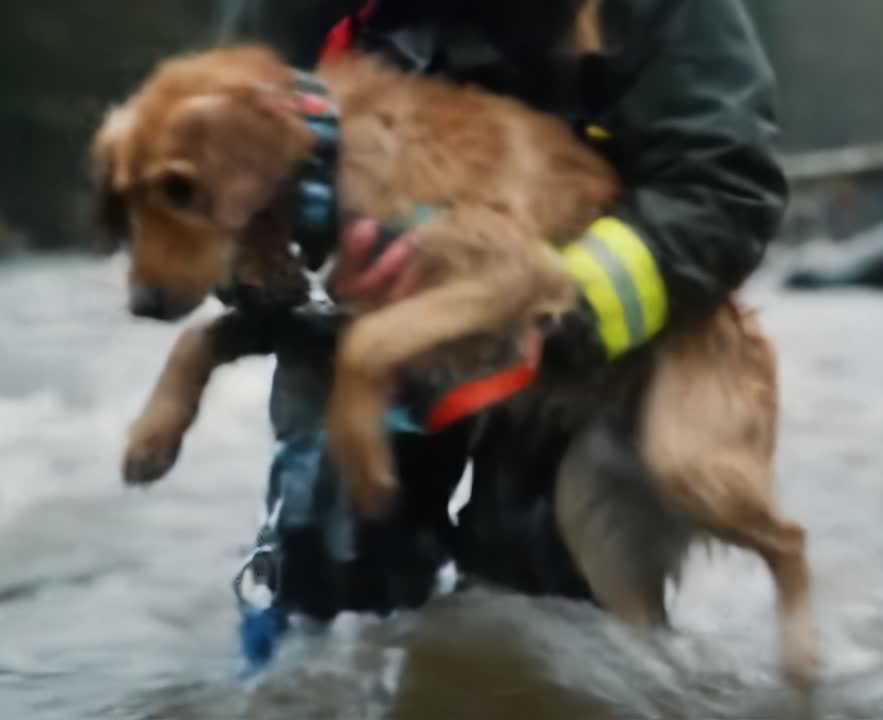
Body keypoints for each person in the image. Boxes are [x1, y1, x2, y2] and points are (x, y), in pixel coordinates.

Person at [233, 0, 789, 669]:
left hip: (579, 331)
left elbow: (722, 187)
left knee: (546, 626)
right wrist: (289, 267)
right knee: (327, 607)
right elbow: (206, 175)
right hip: (369, 327)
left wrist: (542, 311)